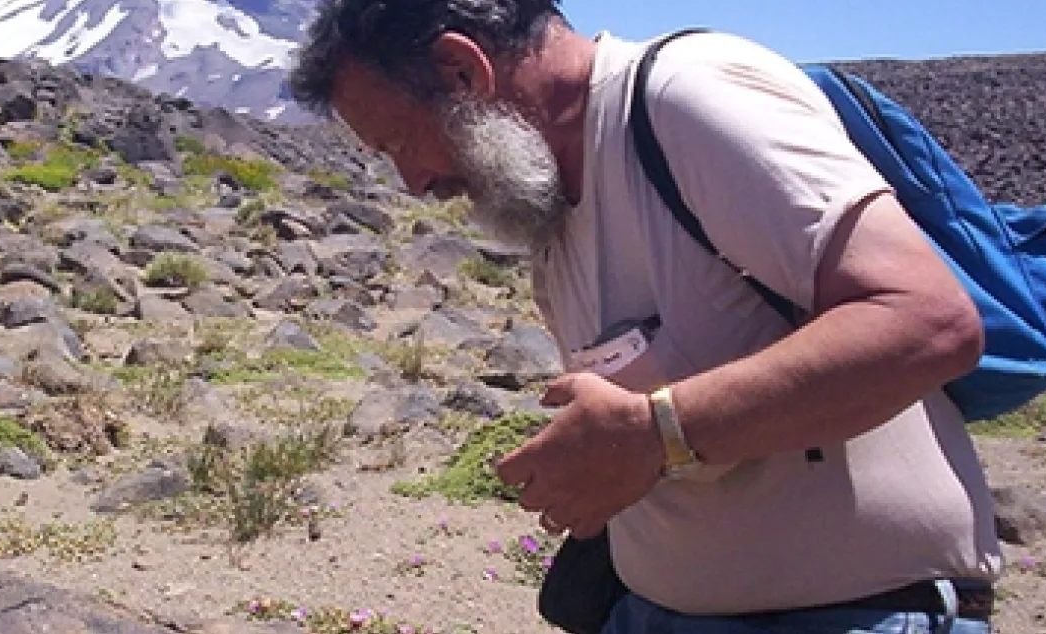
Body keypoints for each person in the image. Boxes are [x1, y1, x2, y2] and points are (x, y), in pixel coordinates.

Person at [286, 2, 1003, 634]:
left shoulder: (689, 100)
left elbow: (927, 322)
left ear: (461, 70)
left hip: (858, 615)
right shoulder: (547, 198)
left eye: (399, 145)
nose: (413, 185)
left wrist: (656, 435)